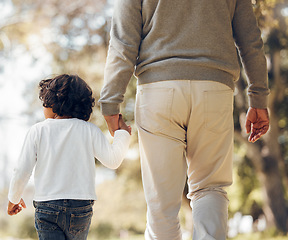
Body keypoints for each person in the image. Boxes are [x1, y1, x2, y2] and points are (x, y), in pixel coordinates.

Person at [99, 0, 269, 239]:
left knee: (161, 203)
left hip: (158, 90)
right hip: (214, 88)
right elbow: (251, 40)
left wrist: (110, 102)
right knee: (210, 189)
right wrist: (258, 98)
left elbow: (123, 42)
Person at [7, 74, 131, 240]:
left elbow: (22, 170)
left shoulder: (38, 131)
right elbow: (113, 160)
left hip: (47, 207)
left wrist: (13, 198)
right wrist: (122, 134)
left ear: (52, 103)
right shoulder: (89, 130)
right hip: (80, 208)